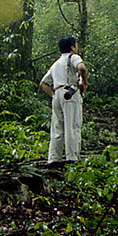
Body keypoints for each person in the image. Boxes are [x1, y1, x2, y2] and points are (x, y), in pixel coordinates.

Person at [40, 35, 89, 163]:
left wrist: (54, 95)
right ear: (72, 47)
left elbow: (43, 84)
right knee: (72, 126)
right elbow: (82, 68)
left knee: (57, 128)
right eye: (76, 45)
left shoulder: (56, 64)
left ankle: (53, 159)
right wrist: (84, 82)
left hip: (57, 94)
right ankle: (72, 158)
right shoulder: (74, 57)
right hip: (70, 93)